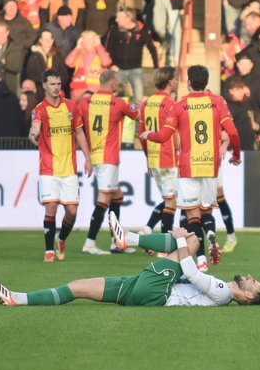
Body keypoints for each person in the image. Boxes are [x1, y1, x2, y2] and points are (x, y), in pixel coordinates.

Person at [0, 225, 260, 307]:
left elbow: (191, 272)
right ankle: (15, 298)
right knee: (76, 288)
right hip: (148, 289)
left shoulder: (223, 291)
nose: (250, 277)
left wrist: (179, 242)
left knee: (191, 241)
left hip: (158, 291)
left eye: (253, 283)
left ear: (249, 296)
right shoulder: (222, 292)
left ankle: (127, 240)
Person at [139, 64, 241, 267]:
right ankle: (211, 232)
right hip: (210, 166)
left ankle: (201, 260)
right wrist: (236, 155)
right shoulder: (218, 102)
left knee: (192, 215)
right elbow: (233, 133)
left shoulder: (179, 106)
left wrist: (148, 134)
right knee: (207, 212)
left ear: (188, 82)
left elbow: (162, 137)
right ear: (206, 82)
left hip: (187, 167)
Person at [29, 69, 91, 263]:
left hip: (69, 169)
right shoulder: (39, 109)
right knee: (51, 208)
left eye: (58, 84)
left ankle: (61, 238)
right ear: (44, 86)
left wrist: (88, 158)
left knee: (72, 212)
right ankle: (49, 250)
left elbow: (80, 133)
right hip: (48, 168)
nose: (56, 87)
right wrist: (34, 134)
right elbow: (35, 127)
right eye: (52, 84)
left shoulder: (72, 107)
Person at [77, 69, 141, 255]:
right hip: (109, 157)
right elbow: (137, 115)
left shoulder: (86, 102)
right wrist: (141, 106)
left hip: (96, 155)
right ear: (113, 84)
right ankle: (89, 243)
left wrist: (87, 156)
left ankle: (116, 242)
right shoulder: (118, 103)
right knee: (104, 198)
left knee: (117, 196)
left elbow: (78, 128)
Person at [138, 65, 179, 237]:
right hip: (168, 158)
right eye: (176, 78)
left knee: (169, 199)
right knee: (171, 202)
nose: (177, 81)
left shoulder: (146, 103)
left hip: (154, 159)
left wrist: (148, 158)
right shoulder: (171, 105)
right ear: (170, 82)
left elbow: (142, 135)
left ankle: (148, 229)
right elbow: (171, 135)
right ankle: (165, 244)